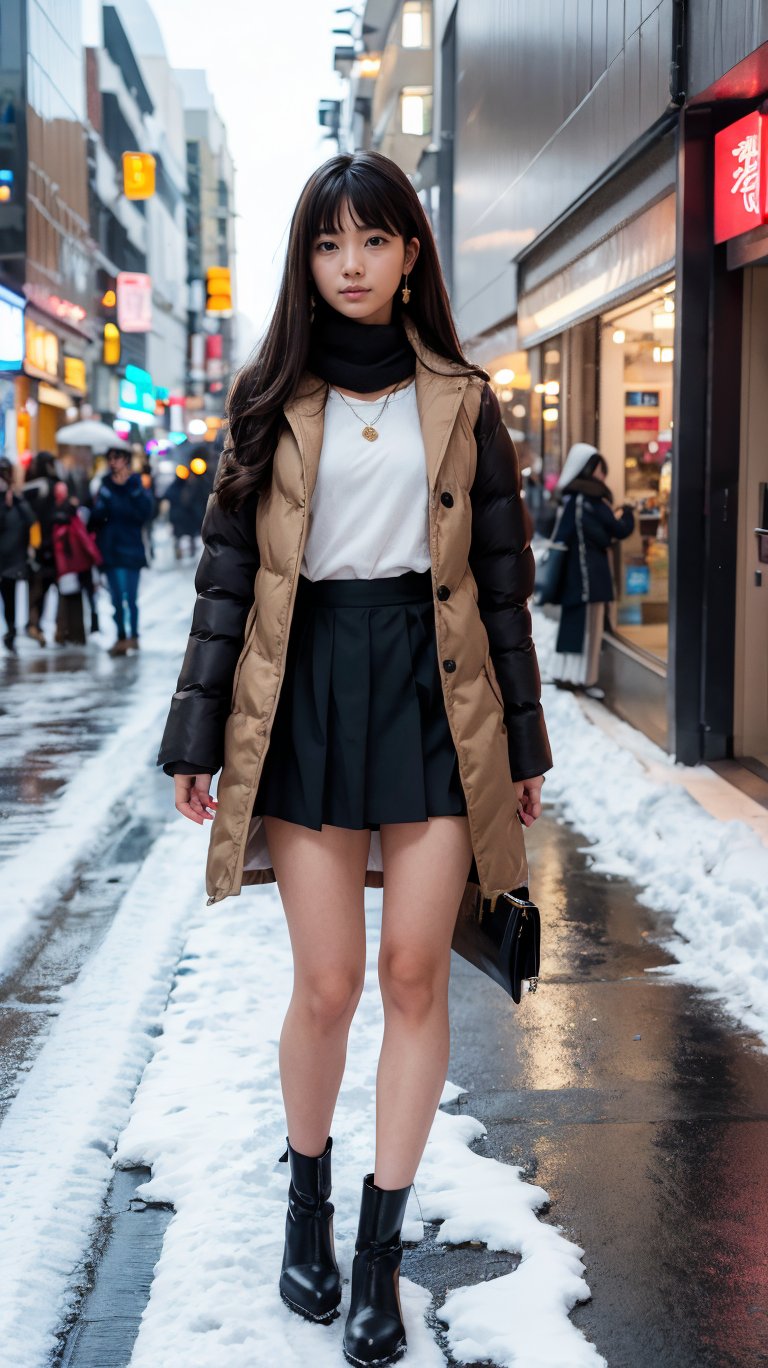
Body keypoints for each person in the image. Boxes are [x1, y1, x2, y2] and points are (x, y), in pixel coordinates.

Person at [157, 151, 553, 1367]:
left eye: (372, 242)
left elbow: (500, 587)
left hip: (439, 693)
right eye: (329, 245)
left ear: (411, 252)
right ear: (307, 259)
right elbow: (228, 582)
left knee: (415, 977)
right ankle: (307, 1208)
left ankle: (381, 1254)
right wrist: (196, 735)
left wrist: (524, 748)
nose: (351, 265)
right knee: (329, 983)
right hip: (308, 688)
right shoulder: (270, 398)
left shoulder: (464, 400)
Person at [550, 442, 635, 700]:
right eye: (600, 469)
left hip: (572, 577)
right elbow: (616, 531)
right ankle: (583, 680)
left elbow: (565, 535)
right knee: (589, 631)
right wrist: (629, 512)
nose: (603, 475)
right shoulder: (592, 500)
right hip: (591, 577)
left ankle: (566, 674)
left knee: (572, 628)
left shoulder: (571, 498)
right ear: (589, 470)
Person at [90, 447, 154, 657]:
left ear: (126, 460)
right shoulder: (105, 485)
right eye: (110, 458)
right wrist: (102, 504)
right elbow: (97, 518)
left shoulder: (135, 483)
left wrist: (132, 492)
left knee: (131, 598)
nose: (113, 462)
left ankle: (133, 637)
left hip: (132, 548)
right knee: (117, 599)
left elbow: (145, 512)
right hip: (111, 548)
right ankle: (121, 637)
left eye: (116, 458)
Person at [51, 483, 102, 645]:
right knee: (80, 599)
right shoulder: (71, 519)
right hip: (78, 566)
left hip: (68, 567)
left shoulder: (56, 520)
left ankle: (68, 633)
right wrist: (96, 559)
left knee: (69, 600)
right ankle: (79, 633)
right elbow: (84, 540)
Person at [23, 451, 60, 646]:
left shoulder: (33, 487)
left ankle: (35, 624)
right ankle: (36, 625)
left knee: (39, 587)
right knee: (42, 586)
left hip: (38, 545)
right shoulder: (48, 486)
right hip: (47, 545)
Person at [0, 457, 34, 653]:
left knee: (9, 597)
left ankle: (11, 630)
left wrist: (15, 500)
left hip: (12, 558)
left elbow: (30, 519)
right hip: (5, 555)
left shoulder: (17, 497)